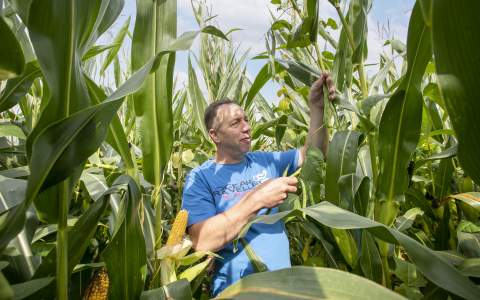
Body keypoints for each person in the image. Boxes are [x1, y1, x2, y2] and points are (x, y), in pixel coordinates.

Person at [181, 73, 335, 296]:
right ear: (215, 135)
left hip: (283, 287)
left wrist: (317, 109)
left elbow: (315, 153)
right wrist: (258, 199)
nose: (246, 127)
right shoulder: (200, 177)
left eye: (246, 119)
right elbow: (203, 241)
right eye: (236, 123)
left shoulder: (265, 161)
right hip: (237, 291)